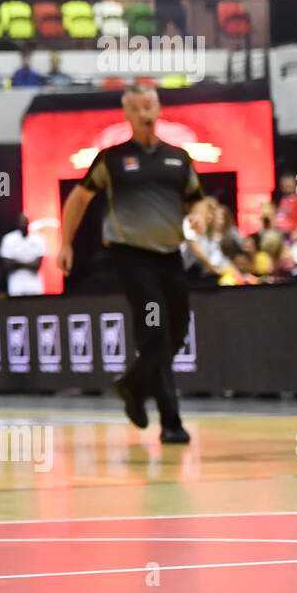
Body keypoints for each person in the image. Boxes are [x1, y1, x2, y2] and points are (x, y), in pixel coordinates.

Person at [57, 84, 208, 444]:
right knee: (155, 331)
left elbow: (197, 199)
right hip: (130, 253)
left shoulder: (178, 158)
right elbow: (79, 198)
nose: (144, 112)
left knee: (178, 330)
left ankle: (133, 385)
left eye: (149, 105)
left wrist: (200, 217)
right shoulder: (111, 159)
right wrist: (65, 243)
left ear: (158, 108)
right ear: (126, 113)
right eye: (137, 107)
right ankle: (171, 421)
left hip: (169, 254)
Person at [0, 213, 47, 296]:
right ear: (17, 223)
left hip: (34, 283)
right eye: (21, 222)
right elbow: (7, 265)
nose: (23, 224)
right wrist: (29, 263)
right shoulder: (8, 239)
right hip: (16, 283)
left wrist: (16, 262)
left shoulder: (39, 238)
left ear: (29, 222)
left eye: (25, 221)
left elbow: (37, 265)